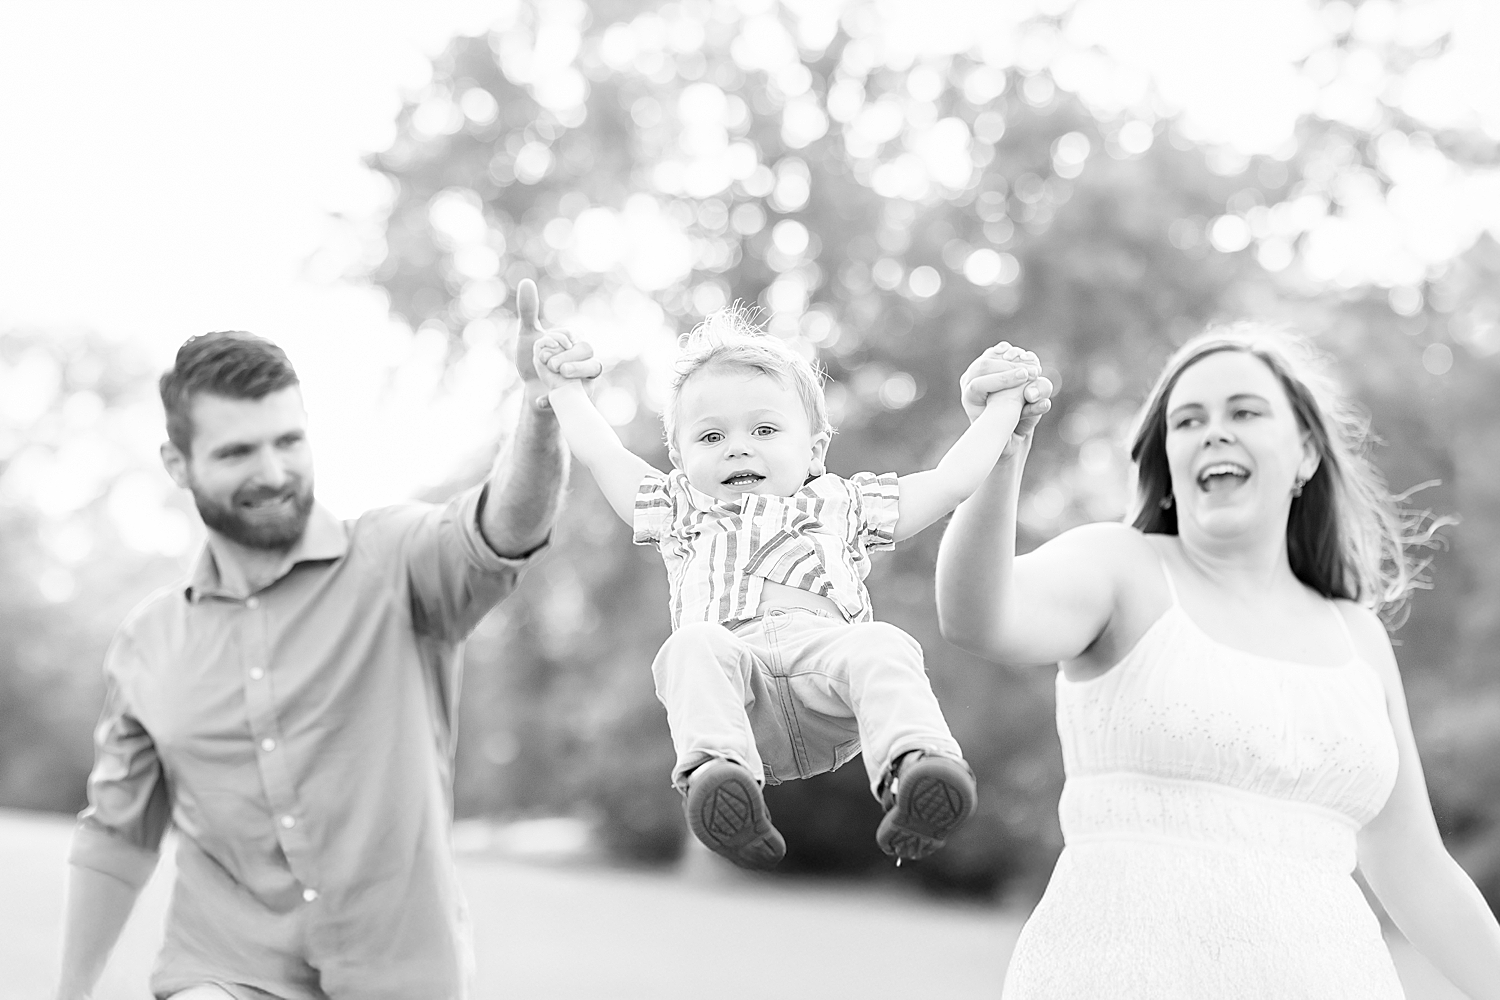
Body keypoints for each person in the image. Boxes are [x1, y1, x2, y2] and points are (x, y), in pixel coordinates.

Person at [54, 280, 599, 1000]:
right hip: (223, 969)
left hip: (402, 973)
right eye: (238, 452)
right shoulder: (148, 642)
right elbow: (118, 834)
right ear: (177, 464)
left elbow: (506, 527)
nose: (273, 473)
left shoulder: (394, 560)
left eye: (289, 441)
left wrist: (540, 412)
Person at [936, 323, 1500, 998]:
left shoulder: (1360, 638)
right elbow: (978, 615)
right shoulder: (1122, 568)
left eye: (1245, 412)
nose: (1214, 432)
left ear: (1307, 454)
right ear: (1167, 459)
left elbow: (1413, 864)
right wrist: (1001, 451)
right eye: (1188, 420)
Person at [530, 309, 1047, 869]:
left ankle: (918, 767)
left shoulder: (843, 504)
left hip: (826, 683)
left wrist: (1001, 412)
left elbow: (950, 482)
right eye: (710, 436)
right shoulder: (682, 511)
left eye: (765, 429)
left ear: (815, 450)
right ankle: (719, 779)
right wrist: (565, 390)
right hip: (740, 697)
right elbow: (604, 454)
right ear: (680, 459)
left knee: (882, 644)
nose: (737, 447)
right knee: (690, 647)